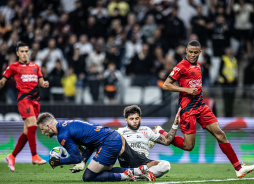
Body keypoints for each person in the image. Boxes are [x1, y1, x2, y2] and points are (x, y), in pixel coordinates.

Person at [156, 40, 254, 178]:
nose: (192, 54)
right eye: (190, 52)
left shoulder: (198, 65)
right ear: (186, 51)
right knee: (188, 146)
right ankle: (160, 133)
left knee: (220, 134)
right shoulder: (181, 66)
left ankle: (238, 168)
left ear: (200, 52)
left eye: (195, 52)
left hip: (201, 106)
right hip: (188, 110)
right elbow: (166, 85)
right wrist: (186, 89)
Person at [36, 113, 167, 182]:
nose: (42, 133)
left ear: (49, 126)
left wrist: (57, 162)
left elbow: (75, 157)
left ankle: (128, 174)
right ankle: (139, 171)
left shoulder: (62, 135)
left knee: (88, 177)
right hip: (112, 138)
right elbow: (90, 144)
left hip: (109, 142)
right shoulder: (67, 124)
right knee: (103, 171)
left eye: (42, 129)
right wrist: (83, 161)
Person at [0, 42, 49, 172]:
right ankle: (34, 156)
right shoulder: (13, 67)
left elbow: (41, 82)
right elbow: (3, 82)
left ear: (29, 52)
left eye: (26, 51)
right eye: (21, 51)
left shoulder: (36, 66)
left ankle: (12, 156)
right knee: (33, 124)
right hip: (24, 100)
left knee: (27, 132)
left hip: (36, 100)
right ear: (17, 54)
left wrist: (44, 84)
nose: (24, 54)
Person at [117, 105, 181, 178]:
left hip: (144, 163)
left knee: (166, 165)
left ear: (140, 119)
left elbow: (167, 141)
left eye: (137, 118)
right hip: (128, 164)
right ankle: (138, 173)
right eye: (131, 119)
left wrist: (175, 124)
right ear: (126, 120)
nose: (134, 121)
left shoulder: (146, 130)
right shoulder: (120, 132)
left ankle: (138, 174)